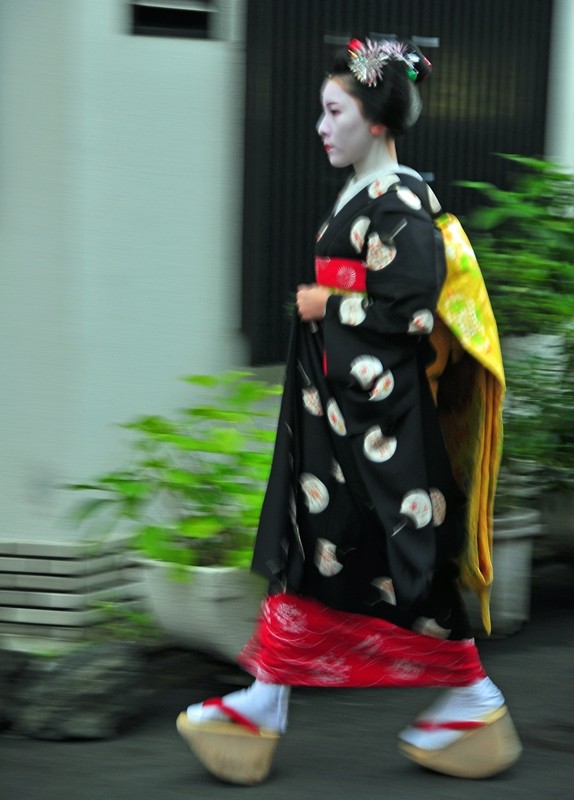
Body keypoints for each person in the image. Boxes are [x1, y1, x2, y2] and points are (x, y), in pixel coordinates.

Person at [176, 36, 521, 785]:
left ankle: (462, 694)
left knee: (376, 554)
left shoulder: (399, 202)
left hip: (376, 425)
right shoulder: (370, 196)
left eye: (336, 112)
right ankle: (276, 702)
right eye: (323, 113)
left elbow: (413, 310)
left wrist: (328, 301)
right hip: (344, 413)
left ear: (377, 119)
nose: (323, 127)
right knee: (330, 549)